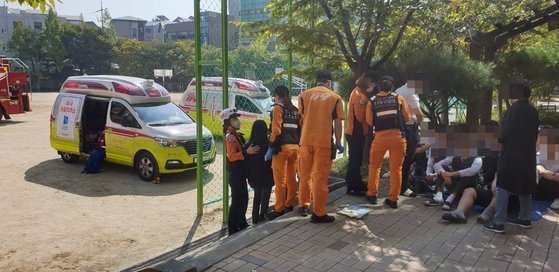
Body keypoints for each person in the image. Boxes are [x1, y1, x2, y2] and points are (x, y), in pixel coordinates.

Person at [485, 83, 539, 233]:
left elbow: (504, 134)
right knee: (525, 186)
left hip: (511, 154)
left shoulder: (513, 111)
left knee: (503, 185)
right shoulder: (533, 111)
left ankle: (498, 222)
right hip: (528, 154)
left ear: (520, 92)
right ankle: (524, 218)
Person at [298, 71, 345, 223]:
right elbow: (338, 122)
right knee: (319, 177)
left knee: (304, 174)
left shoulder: (303, 95)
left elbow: (301, 119)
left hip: (305, 141)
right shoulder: (335, 98)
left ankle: (303, 205)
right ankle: (318, 213)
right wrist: (338, 142)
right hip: (323, 142)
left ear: (316, 81)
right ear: (329, 83)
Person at [365, 76, 411, 208]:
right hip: (398, 137)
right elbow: (407, 117)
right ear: (392, 88)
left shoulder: (372, 101)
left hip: (380, 138)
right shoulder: (399, 98)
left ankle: (372, 194)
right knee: (396, 169)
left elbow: (369, 121)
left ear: (379, 87)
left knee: (374, 166)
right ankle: (393, 199)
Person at [220, 108, 260, 235]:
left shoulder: (236, 135)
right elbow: (232, 156)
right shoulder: (230, 137)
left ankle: (242, 224)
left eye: (236, 118)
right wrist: (245, 152)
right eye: (233, 119)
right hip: (236, 174)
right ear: (227, 122)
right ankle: (232, 228)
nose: (237, 121)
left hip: (240, 173)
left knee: (243, 199)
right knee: (237, 201)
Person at [267, 85, 300, 219]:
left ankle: (279, 209)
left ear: (277, 96)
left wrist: (271, 145)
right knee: (292, 177)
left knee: (280, 180)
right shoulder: (295, 110)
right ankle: (290, 203)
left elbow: (276, 130)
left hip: (282, 148)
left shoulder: (277, 108)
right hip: (295, 148)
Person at [344, 70, 379, 196]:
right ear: (367, 80)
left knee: (356, 160)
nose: (373, 86)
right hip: (355, 133)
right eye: (372, 83)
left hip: (355, 132)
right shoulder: (360, 96)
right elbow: (360, 117)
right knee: (355, 160)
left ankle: (355, 183)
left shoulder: (359, 92)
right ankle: (353, 186)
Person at [395, 80, 424, 197]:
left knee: (400, 158)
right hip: (410, 128)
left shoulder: (399, 90)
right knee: (408, 158)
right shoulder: (411, 93)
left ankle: (398, 186)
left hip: (400, 127)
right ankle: (404, 188)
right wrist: (419, 124)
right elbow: (419, 114)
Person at [245, 120, 274, 224]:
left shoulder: (249, 145)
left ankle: (254, 219)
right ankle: (262, 216)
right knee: (265, 197)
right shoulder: (268, 145)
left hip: (255, 176)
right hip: (267, 176)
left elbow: (247, 163)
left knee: (256, 197)